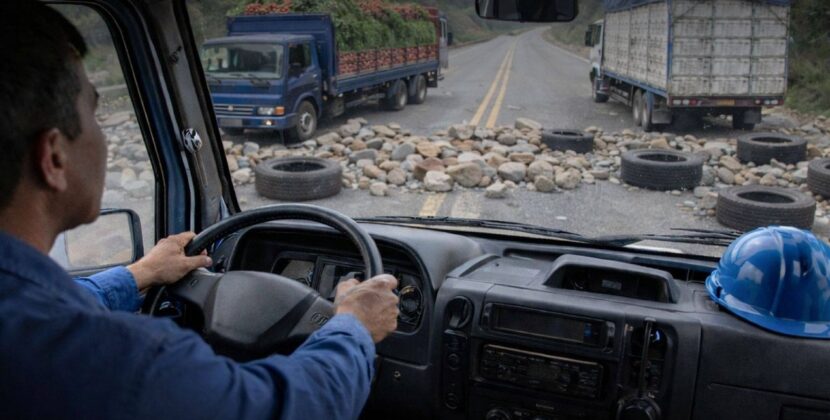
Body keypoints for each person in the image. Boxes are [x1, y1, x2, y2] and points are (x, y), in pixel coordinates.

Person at [0, 2, 400, 419]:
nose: (101, 138)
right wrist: (353, 324)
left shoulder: (24, 317)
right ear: (54, 158)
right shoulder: (122, 362)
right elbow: (287, 407)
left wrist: (142, 273)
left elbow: (64, 302)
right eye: (95, 115)